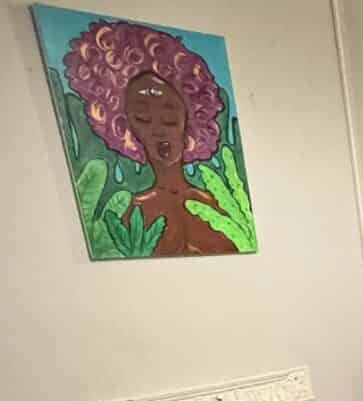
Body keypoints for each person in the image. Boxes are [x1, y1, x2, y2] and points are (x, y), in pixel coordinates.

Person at [62, 20, 242, 256]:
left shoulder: (225, 208)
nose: (160, 130)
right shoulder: (128, 216)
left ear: (192, 118)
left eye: (169, 117)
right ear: (123, 127)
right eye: (143, 118)